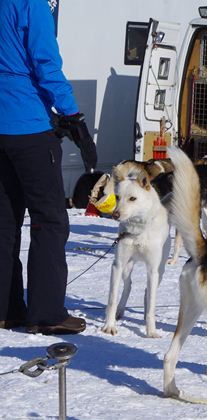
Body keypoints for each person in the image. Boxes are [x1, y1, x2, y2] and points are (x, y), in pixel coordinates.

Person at [0, 0, 97, 335]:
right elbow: (45, 62)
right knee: (50, 220)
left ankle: (6, 308)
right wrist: (71, 116)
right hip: (28, 127)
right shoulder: (32, 5)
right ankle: (46, 313)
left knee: (5, 221)